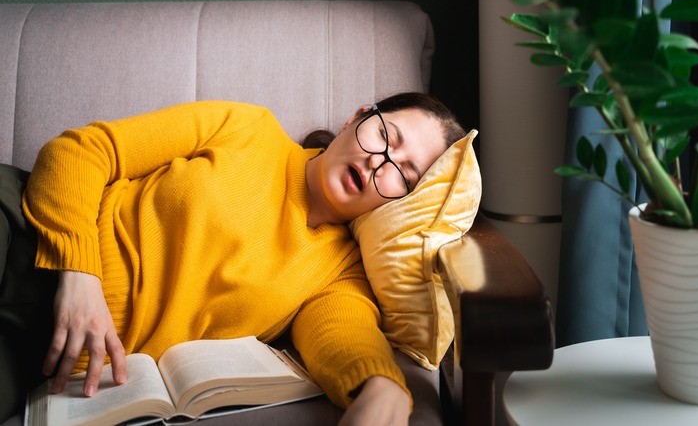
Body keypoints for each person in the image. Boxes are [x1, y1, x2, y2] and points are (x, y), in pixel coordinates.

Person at [0, 92, 467, 425]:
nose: (378, 162)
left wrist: (380, 387)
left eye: (402, 174)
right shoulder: (248, 127)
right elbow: (81, 151)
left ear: (401, 203)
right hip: (24, 229)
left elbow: (345, 337)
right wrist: (78, 272)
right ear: (357, 118)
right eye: (385, 135)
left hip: (43, 355)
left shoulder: (339, 273)